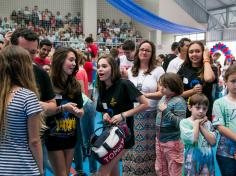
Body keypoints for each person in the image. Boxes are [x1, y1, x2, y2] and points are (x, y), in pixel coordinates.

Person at [10, 28, 56, 175]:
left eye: (32, 52)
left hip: (35, 139)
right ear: (12, 49)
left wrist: (37, 105)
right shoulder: (3, 73)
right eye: (24, 51)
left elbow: (53, 105)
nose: (28, 57)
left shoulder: (40, 73)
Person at [96, 55, 149, 176]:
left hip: (123, 136)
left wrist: (123, 115)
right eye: (98, 66)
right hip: (108, 135)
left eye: (104, 66)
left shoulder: (125, 84)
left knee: (102, 171)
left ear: (113, 68)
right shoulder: (102, 87)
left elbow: (145, 104)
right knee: (113, 170)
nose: (100, 69)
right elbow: (103, 109)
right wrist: (105, 115)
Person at [123, 40, 165, 175]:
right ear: (137, 51)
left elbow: (162, 92)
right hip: (132, 115)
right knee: (131, 148)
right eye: (142, 49)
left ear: (152, 53)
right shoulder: (130, 71)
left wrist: (143, 95)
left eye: (147, 50)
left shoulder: (158, 70)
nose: (144, 52)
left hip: (150, 116)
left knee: (149, 150)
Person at [0, 46, 43, 175]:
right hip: (23, 168)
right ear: (24, 67)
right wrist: (41, 169)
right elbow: (34, 141)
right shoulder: (27, 97)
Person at [45, 47, 84, 176]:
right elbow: (42, 111)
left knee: (65, 173)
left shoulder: (75, 84)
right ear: (60, 60)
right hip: (53, 136)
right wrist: (63, 108)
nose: (74, 63)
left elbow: (81, 108)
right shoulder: (47, 84)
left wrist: (79, 112)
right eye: (71, 60)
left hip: (71, 136)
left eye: (75, 61)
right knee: (62, 174)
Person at [155, 73, 186, 176]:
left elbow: (181, 124)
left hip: (173, 143)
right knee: (160, 169)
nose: (161, 88)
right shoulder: (164, 98)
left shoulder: (179, 101)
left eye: (165, 86)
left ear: (173, 87)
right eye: (161, 85)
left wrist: (166, 112)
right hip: (160, 141)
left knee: (174, 169)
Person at [177, 41, 217, 118]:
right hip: (187, 112)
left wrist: (206, 58)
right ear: (188, 54)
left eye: (198, 51)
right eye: (191, 52)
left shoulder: (211, 68)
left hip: (204, 112)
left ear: (203, 53)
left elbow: (208, 78)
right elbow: (177, 93)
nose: (194, 54)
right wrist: (192, 91)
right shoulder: (183, 69)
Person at [180, 94, 217, 176]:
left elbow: (213, 142)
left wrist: (200, 126)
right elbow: (194, 139)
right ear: (190, 108)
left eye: (204, 109)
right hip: (192, 161)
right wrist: (196, 123)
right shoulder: (184, 123)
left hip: (207, 160)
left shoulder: (208, 123)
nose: (201, 111)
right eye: (197, 108)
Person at [212, 64, 236, 175]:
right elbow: (220, 127)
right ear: (225, 81)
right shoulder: (219, 103)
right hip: (226, 153)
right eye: (233, 81)